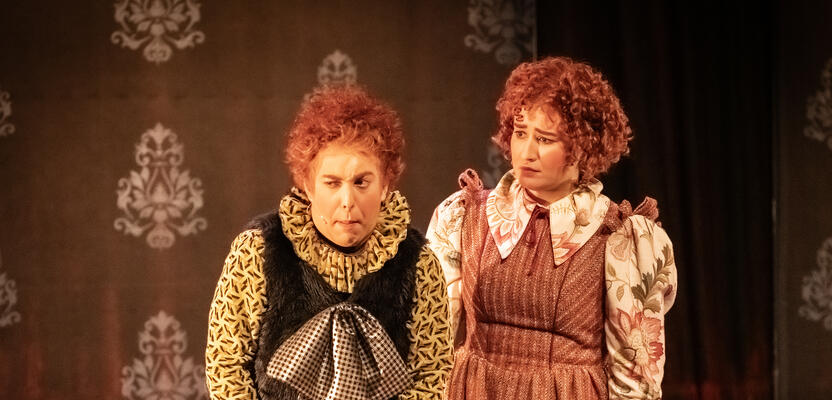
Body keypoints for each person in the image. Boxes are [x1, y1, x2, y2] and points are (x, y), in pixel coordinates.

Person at [427, 57, 677, 399]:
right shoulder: (464, 216)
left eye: (545, 139)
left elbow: (636, 377)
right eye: (520, 133)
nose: (526, 152)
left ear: (582, 148)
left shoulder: (618, 238)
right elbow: (432, 343)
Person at [206, 85, 453, 400]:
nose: (347, 201)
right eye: (332, 183)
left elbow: (433, 375)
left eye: (361, 182)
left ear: (385, 186)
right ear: (308, 186)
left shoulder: (418, 263)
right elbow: (226, 368)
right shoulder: (257, 251)